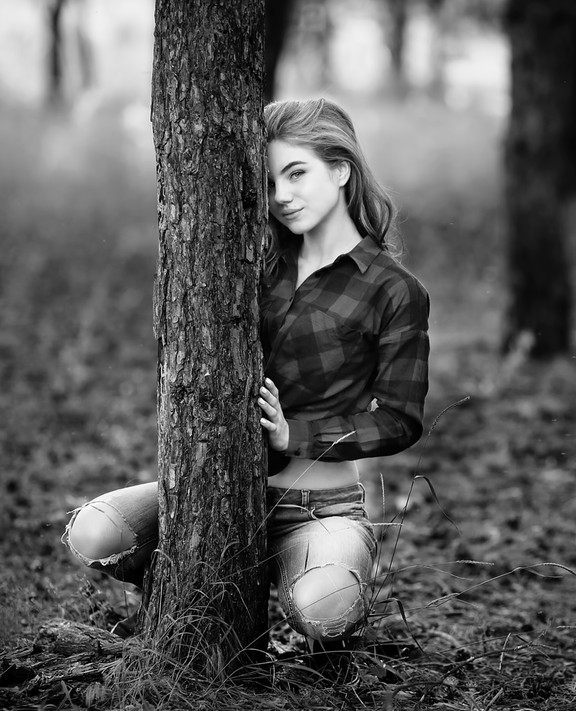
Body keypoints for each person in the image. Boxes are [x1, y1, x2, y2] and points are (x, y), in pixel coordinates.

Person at [62, 98, 430, 655]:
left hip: (320, 507)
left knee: (325, 610)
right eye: (270, 181)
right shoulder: (251, 258)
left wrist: (294, 436)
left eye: (297, 172)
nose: (282, 195)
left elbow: (401, 420)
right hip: (218, 493)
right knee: (96, 532)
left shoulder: (393, 290)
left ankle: (301, 598)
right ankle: (200, 588)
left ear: (341, 169)